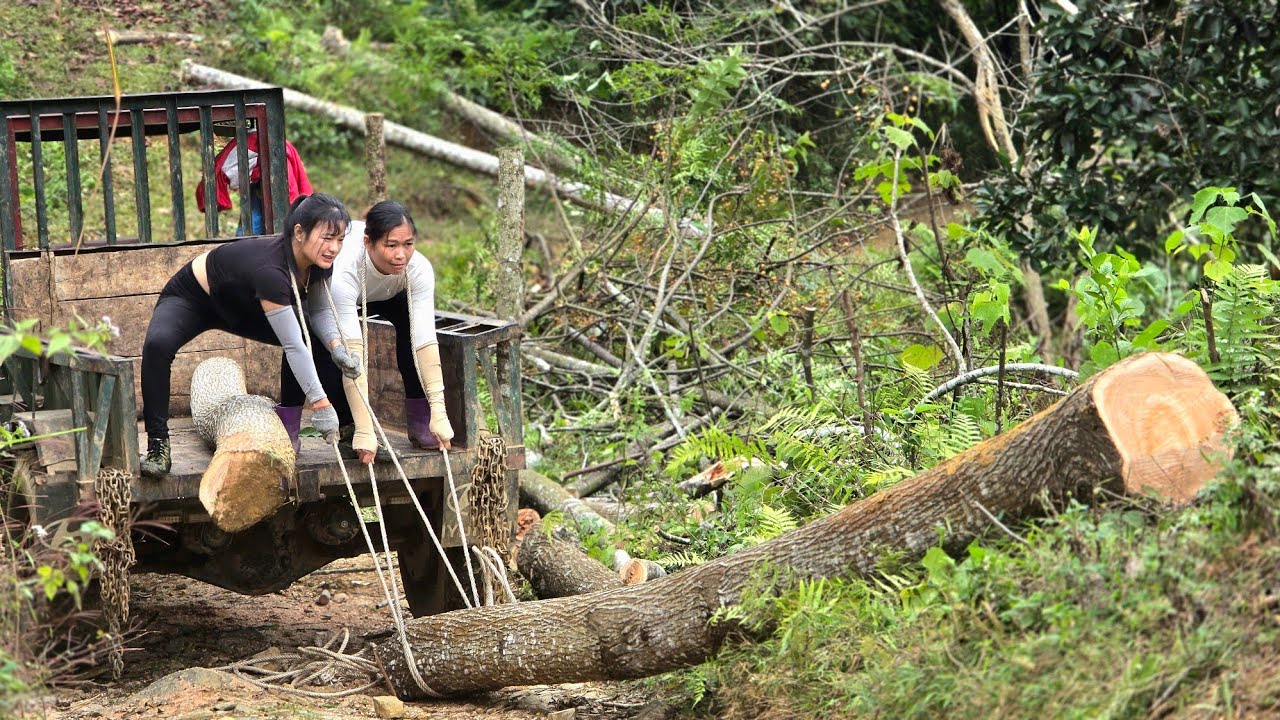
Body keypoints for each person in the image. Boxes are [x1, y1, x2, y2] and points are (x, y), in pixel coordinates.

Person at [139, 193, 361, 478]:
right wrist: (320, 404)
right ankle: (158, 445)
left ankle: (337, 428)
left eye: (340, 239)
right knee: (157, 345)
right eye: (327, 238)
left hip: (246, 306)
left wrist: (336, 346)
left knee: (314, 339)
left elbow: (318, 313)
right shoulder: (272, 271)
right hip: (196, 298)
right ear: (299, 232)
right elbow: (293, 346)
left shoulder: (319, 263)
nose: (334, 248)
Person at [310, 200, 454, 464]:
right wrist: (366, 431)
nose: (401, 254)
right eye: (391, 245)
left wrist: (439, 412)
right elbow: (353, 352)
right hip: (340, 298)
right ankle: (350, 427)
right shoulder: (345, 268)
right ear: (368, 243)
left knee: (411, 329)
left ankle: (421, 418)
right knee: (334, 350)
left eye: (408, 244)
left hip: (388, 292)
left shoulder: (418, 268)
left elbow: (424, 342)